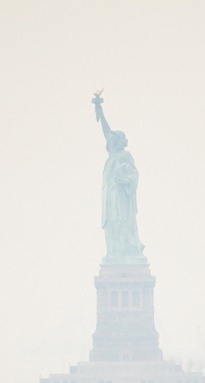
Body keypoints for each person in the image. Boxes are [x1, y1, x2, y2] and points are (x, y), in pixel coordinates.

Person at [93, 91, 144, 261]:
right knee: (112, 225)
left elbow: (133, 175)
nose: (110, 141)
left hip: (122, 199)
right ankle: (114, 253)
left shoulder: (124, 156)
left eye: (113, 139)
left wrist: (124, 180)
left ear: (119, 142)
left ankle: (126, 251)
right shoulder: (112, 156)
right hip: (111, 197)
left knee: (120, 223)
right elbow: (107, 132)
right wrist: (100, 111)